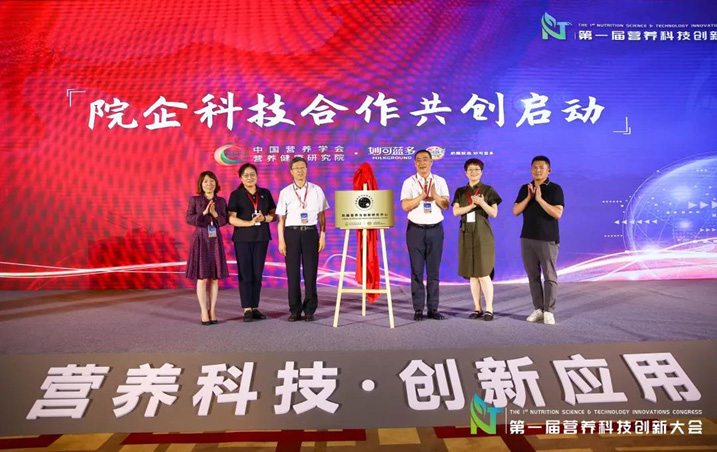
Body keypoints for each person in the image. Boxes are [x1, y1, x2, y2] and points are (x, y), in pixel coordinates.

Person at [276, 157, 329, 322]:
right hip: (291, 234)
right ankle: (295, 310)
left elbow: (322, 215)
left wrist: (322, 235)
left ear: (307, 170)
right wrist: (281, 240)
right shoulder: (285, 192)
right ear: (291, 171)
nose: (300, 170)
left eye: (303, 167)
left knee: (310, 273)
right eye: (296, 168)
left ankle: (309, 310)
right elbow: (281, 219)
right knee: (292, 274)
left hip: (310, 233)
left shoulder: (316, 190)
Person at [513, 155, 565, 325]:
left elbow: (557, 213)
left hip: (547, 239)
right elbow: (515, 211)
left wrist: (540, 199)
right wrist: (529, 197)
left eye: (541, 167)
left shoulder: (555, 189)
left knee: (549, 276)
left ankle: (549, 311)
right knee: (533, 276)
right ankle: (538, 309)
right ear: (531, 170)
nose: (537, 170)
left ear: (548, 170)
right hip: (527, 238)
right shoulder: (525, 188)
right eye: (534, 167)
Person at [400, 149, 450, 321]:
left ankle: (433, 309)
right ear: (415, 163)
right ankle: (418, 309)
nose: (422, 163)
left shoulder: (440, 181)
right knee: (417, 271)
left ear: (431, 162)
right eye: (419, 160)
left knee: (433, 271)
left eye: (425, 160)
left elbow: (445, 205)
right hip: (415, 230)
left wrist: (435, 195)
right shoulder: (409, 182)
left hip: (436, 230)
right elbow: (405, 206)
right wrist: (421, 196)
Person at [452, 158, 501, 321]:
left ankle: (489, 309)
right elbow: (456, 212)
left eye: (477, 169)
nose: (474, 172)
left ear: (482, 172)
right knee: (472, 274)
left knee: (483, 273)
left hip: (482, 234)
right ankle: (477, 308)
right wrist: (472, 206)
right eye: (470, 170)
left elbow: (494, 213)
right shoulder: (460, 191)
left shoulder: (488, 190)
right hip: (466, 233)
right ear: (466, 172)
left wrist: (481, 202)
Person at [228, 163, 277, 323]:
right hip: (243, 238)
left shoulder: (265, 193)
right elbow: (231, 218)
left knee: (257, 273)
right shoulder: (236, 195)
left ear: (257, 176)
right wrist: (248, 223)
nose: (250, 178)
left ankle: (255, 306)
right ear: (241, 178)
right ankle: (246, 308)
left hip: (261, 237)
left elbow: (274, 214)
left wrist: (265, 218)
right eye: (246, 175)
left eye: (252, 174)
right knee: (245, 273)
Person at [185, 171, 230, 325]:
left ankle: (213, 310)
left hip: (215, 239)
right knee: (202, 278)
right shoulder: (195, 200)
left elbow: (224, 221)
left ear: (216, 183)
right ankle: (204, 311)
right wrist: (204, 213)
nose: (209, 184)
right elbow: (189, 218)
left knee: (214, 278)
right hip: (200, 239)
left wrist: (215, 214)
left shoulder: (221, 201)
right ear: (201, 184)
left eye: (211, 181)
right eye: (205, 181)